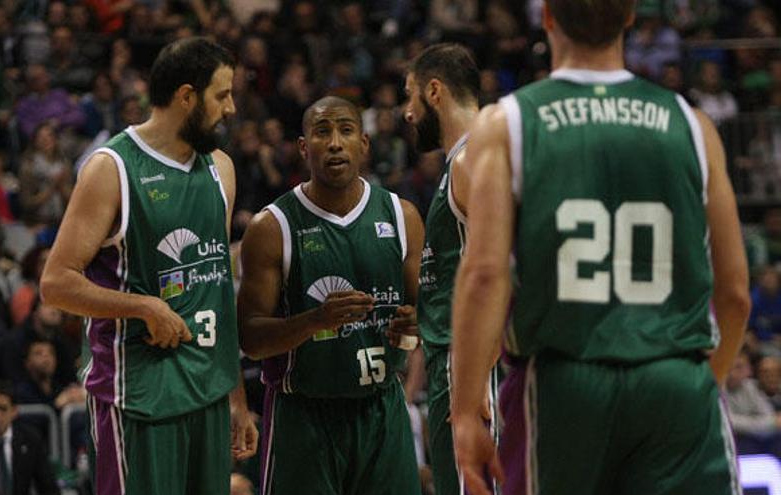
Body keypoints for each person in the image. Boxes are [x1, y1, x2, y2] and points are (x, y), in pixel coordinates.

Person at [450, 1, 751, 494]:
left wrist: (464, 412)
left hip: (563, 384)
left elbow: (484, 275)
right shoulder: (693, 126)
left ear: (547, 17)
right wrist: (703, 383)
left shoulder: (507, 123)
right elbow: (735, 292)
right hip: (675, 377)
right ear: (630, 17)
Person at [40, 37, 258, 495]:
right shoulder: (112, 168)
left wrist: (236, 395)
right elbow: (56, 283)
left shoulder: (221, 168)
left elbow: (216, 290)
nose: (232, 108)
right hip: (138, 395)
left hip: (208, 392)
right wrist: (144, 307)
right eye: (222, 95)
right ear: (186, 97)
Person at [238, 96, 425, 494]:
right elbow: (251, 340)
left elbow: (419, 323)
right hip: (303, 414)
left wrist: (415, 327)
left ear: (364, 143)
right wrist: (315, 320)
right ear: (305, 148)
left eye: (346, 130)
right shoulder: (272, 227)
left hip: (382, 406)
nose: (335, 142)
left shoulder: (401, 216)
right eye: (323, 132)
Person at [402, 42, 491, 495]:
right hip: (458, 358)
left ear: (434, 91)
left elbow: (508, 266)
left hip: (469, 366)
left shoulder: (472, 157)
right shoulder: (475, 154)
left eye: (410, 95)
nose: (407, 111)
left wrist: (477, 381)